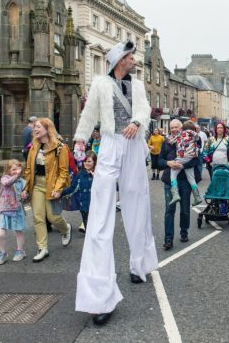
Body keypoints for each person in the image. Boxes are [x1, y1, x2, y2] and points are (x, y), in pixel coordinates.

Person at [73, 41, 158, 326]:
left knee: (138, 203)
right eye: (131, 56)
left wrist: (136, 120)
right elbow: (89, 114)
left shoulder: (138, 86)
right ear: (120, 59)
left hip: (133, 145)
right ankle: (100, 295)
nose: (134, 59)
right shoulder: (100, 84)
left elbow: (145, 110)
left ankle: (139, 264)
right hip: (110, 144)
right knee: (100, 216)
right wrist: (80, 139)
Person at [21, 118, 73, 262]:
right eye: (35, 127)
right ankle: (42, 248)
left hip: (52, 185)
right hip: (37, 185)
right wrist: (25, 187)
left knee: (53, 217)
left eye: (38, 127)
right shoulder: (33, 147)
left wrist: (58, 188)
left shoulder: (60, 148)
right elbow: (29, 169)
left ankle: (65, 229)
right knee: (38, 217)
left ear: (47, 129)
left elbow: (63, 172)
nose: (35, 129)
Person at [159, 119, 202, 250]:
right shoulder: (166, 142)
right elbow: (159, 161)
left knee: (184, 210)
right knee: (169, 210)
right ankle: (168, 239)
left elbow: (196, 161)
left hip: (185, 181)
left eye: (176, 127)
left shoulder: (190, 139)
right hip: (170, 181)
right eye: (171, 128)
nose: (174, 129)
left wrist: (181, 165)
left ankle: (184, 232)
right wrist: (168, 163)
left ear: (181, 128)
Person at [0, 159, 27, 265]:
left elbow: (25, 193)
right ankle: (3, 253)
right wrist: (16, 175)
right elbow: (8, 183)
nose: (16, 171)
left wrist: (24, 194)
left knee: (18, 231)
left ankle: (20, 251)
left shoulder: (23, 181)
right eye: (13, 169)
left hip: (17, 210)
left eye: (18, 169)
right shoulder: (5, 178)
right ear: (8, 170)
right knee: (1, 234)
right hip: (5, 209)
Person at [167, 120, 202, 206]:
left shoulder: (180, 134)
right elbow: (198, 139)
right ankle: (197, 197)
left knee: (173, 174)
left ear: (182, 128)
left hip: (181, 157)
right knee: (191, 178)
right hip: (190, 157)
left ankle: (175, 195)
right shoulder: (195, 135)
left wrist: (170, 141)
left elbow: (171, 141)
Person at [63, 150, 96, 234]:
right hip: (84, 206)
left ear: (94, 162)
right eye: (85, 161)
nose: (86, 163)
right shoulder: (80, 174)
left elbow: (107, 187)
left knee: (96, 230)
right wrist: (60, 192)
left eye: (89, 161)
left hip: (96, 206)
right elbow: (72, 188)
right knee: (88, 231)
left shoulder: (99, 174)